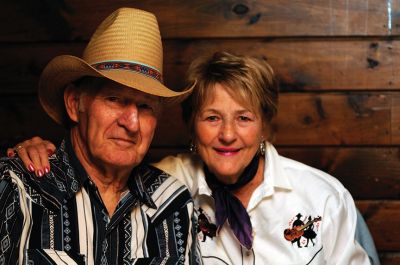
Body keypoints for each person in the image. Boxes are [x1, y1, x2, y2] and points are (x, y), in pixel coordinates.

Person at [8, 52, 373, 264]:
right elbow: (106, 164)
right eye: (212, 118)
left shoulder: (324, 198)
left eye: (244, 118)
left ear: (265, 126)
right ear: (191, 128)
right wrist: (44, 152)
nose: (227, 134)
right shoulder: (167, 186)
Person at [0, 7, 201, 265]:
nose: (131, 123)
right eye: (114, 99)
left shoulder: (172, 203)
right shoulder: (17, 187)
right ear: (74, 103)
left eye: (145, 106)